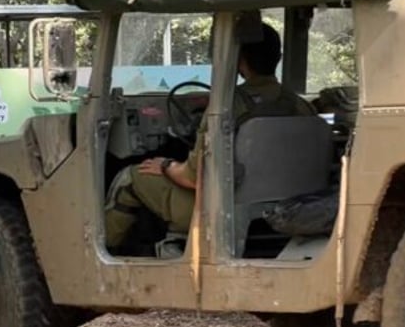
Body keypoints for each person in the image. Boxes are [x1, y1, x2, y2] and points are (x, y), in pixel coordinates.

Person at [104, 16, 317, 250]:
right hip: (287, 210)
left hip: (223, 211)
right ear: (277, 57)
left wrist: (166, 165)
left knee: (128, 178)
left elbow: (193, 178)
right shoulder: (303, 107)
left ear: (239, 59)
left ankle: (105, 254)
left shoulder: (225, 109)